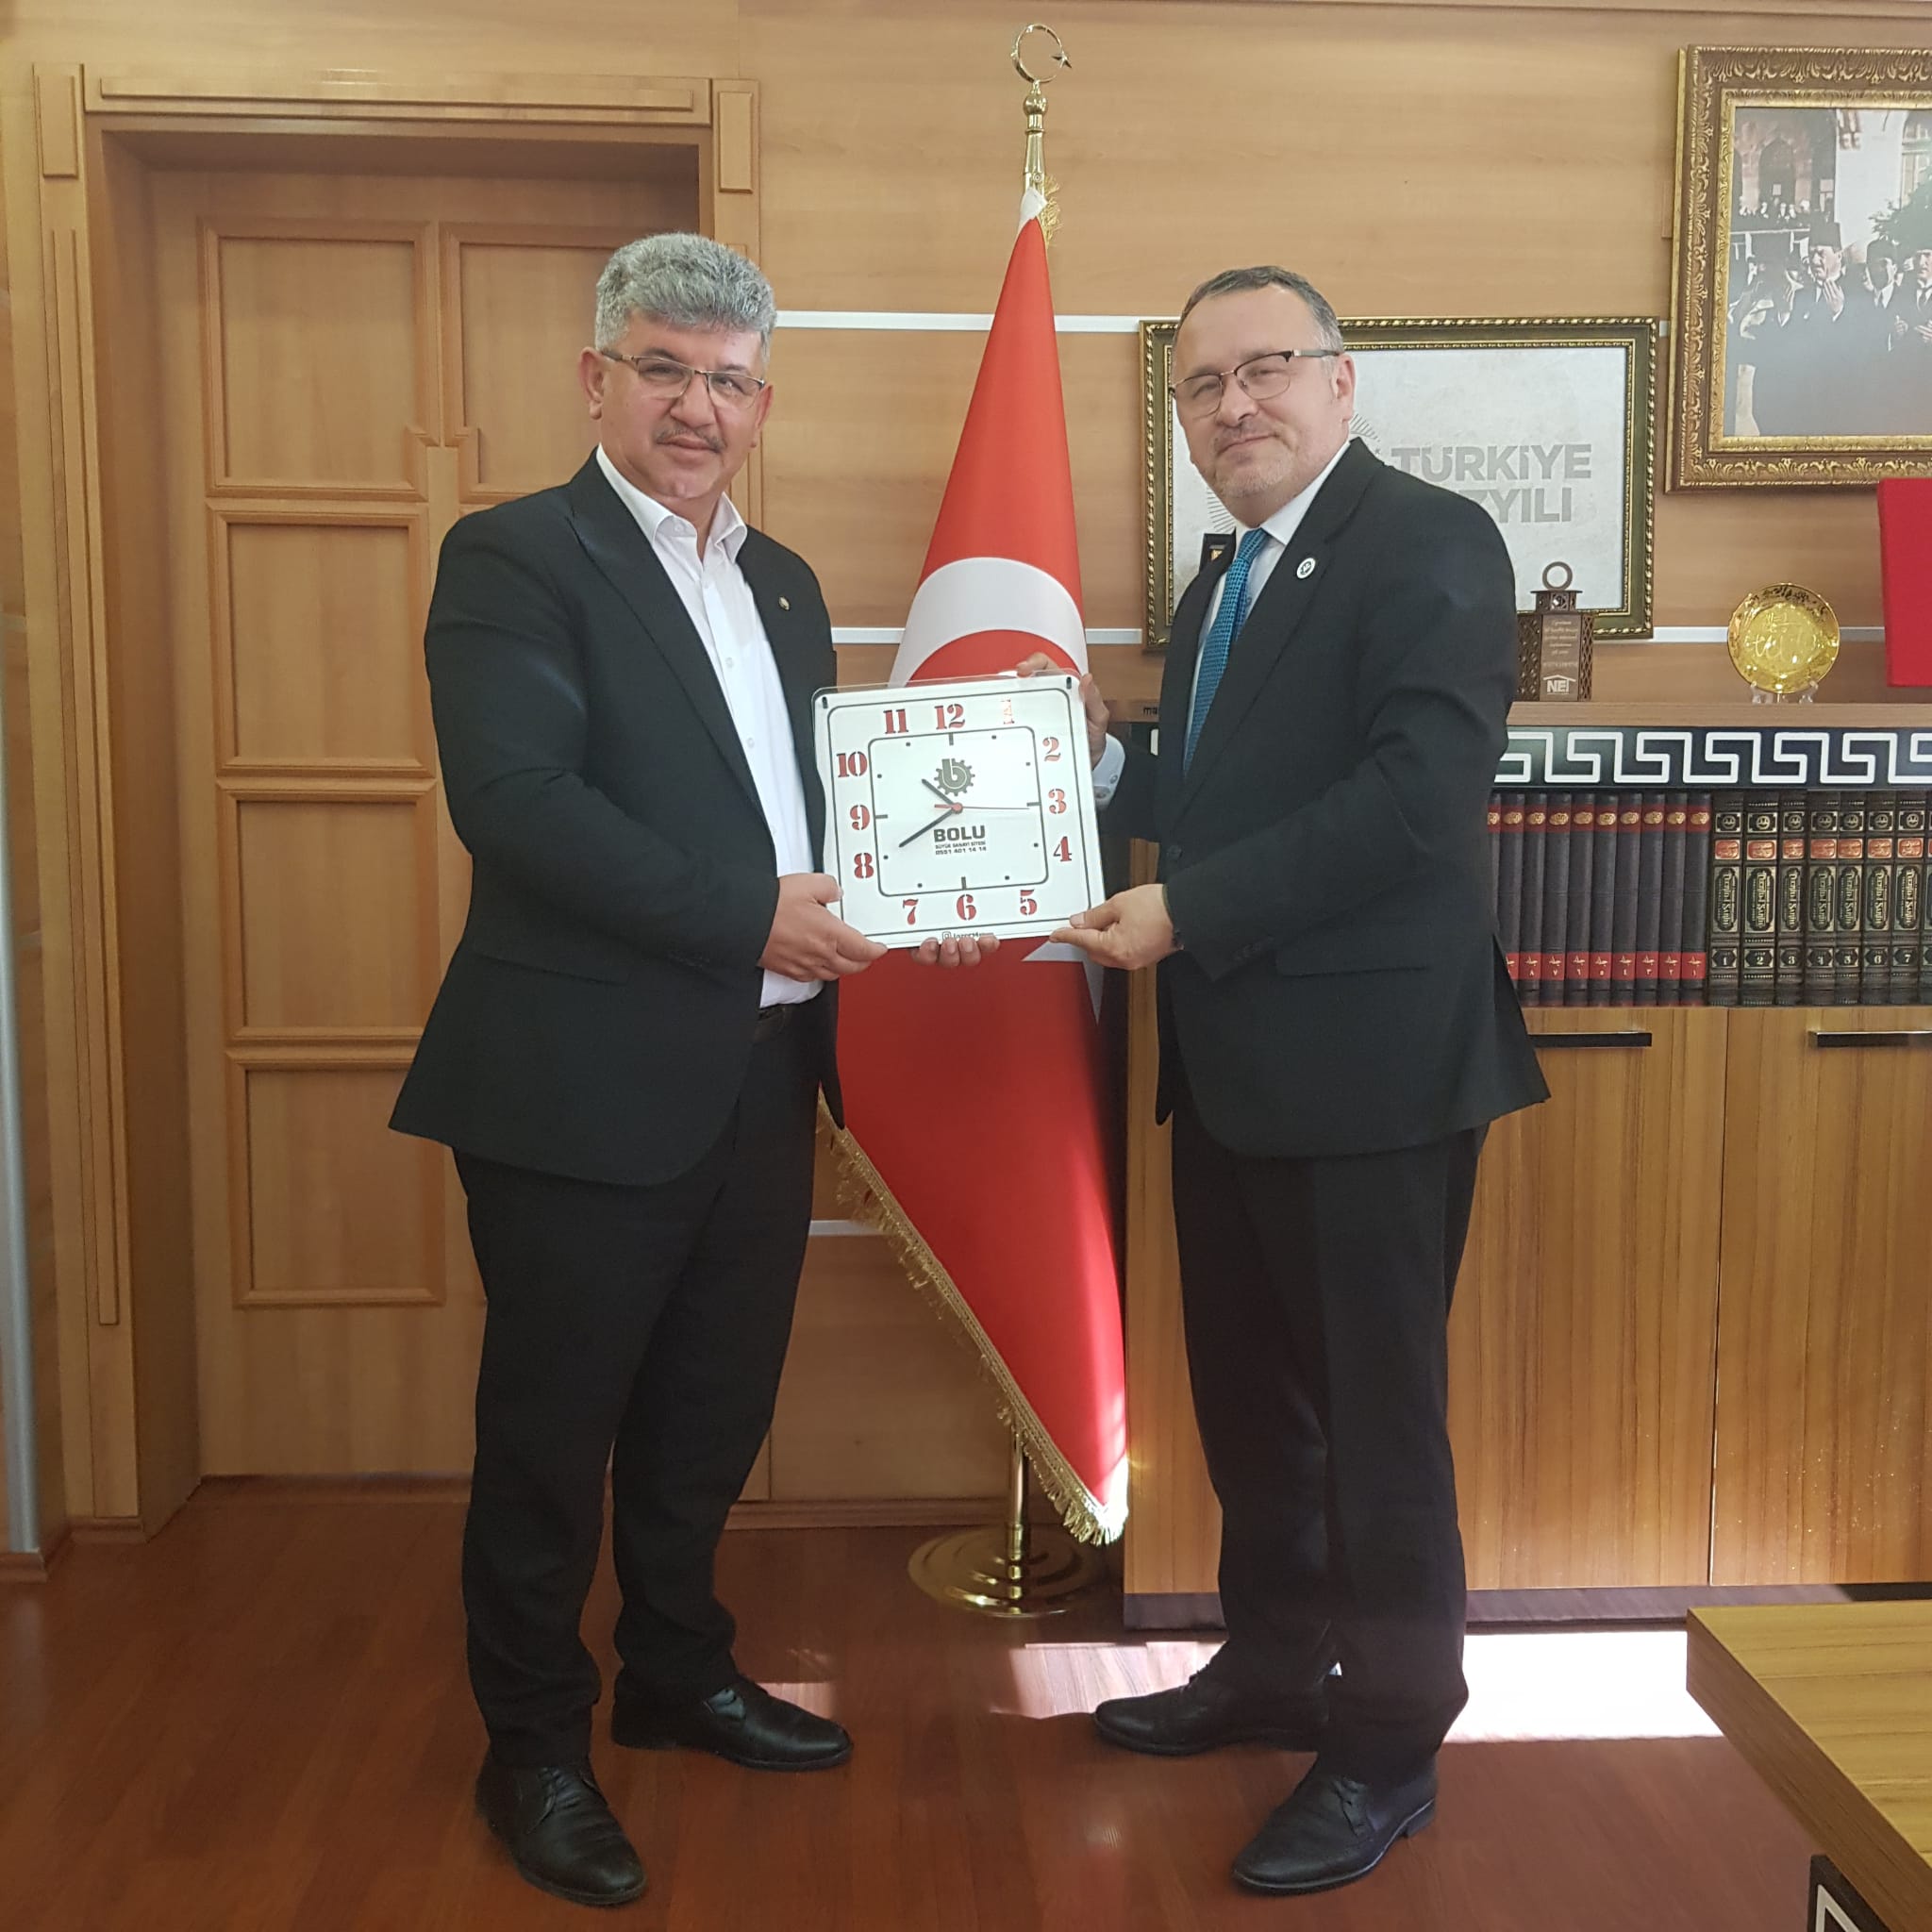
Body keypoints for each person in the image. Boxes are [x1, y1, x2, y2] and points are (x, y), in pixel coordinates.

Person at [391, 232, 993, 1909]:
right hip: (578, 1082)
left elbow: (808, 814)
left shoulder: (781, 583)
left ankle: (674, 1668)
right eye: (663, 369)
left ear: (762, 404)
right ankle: (533, 1749)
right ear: (598, 379)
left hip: (763, 1074)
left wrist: (916, 900)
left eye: (728, 381)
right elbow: (521, 807)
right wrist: (753, 916)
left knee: (711, 1408)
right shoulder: (515, 557)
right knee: (551, 1435)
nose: (695, 407)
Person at [1045, 264, 1547, 1899]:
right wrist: (1092, 766)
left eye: (1265, 367)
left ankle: (1390, 1744)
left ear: (1341, 381)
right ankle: (1271, 1668)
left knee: (1378, 1432)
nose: (1235, 404)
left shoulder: (1430, 544)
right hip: (1235, 1069)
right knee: (1257, 1413)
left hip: (1375, 1077)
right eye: (1202, 385)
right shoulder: (1226, 583)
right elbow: (1216, 792)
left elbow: (1415, 801)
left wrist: (1184, 910)